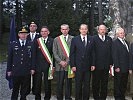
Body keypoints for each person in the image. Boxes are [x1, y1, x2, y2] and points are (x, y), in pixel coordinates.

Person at [70, 24, 95, 100]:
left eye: (85, 29)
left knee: (87, 85)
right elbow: (72, 53)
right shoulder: (75, 39)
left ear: (87, 30)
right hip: (78, 66)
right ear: (79, 30)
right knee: (78, 85)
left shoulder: (91, 39)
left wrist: (93, 64)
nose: (84, 30)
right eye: (82, 29)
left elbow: (93, 53)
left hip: (88, 66)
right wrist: (73, 65)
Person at [6, 28, 32, 100]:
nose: (23, 35)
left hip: (26, 70)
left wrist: (32, 68)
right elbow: (10, 58)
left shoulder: (31, 44)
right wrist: (9, 70)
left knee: (25, 90)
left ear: (27, 35)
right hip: (16, 71)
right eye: (21, 34)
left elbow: (33, 58)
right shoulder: (13, 44)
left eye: (25, 34)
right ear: (18, 35)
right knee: (15, 90)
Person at [31, 26, 54, 100]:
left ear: (48, 32)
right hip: (38, 66)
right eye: (42, 31)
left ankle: (47, 98)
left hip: (48, 65)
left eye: (45, 31)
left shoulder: (52, 41)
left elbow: (54, 54)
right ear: (40, 33)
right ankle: (37, 98)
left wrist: (53, 66)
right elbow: (33, 55)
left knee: (48, 84)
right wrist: (33, 67)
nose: (44, 33)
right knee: (37, 83)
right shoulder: (37, 41)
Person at [92, 24, 113, 100]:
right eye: (101, 29)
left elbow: (111, 52)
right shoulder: (93, 39)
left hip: (106, 65)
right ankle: (96, 97)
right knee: (96, 83)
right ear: (98, 30)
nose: (103, 31)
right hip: (96, 66)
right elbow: (92, 52)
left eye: (104, 29)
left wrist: (111, 63)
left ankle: (103, 98)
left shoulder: (109, 39)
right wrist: (93, 64)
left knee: (104, 83)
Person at [53, 24, 73, 100]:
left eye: (66, 29)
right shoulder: (56, 39)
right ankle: (59, 98)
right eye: (63, 29)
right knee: (59, 84)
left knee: (68, 84)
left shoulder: (73, 39)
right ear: (61, 30)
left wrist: (67, 62)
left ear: (68, 30)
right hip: (59, 65)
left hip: (68, 66)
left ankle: (68, 98)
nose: (64, 31)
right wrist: (60, 61)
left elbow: (73, 52)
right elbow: (54, 52)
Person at [112, 27, 132, 100]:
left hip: (125, 68)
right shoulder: (115, 43)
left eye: (123, 33)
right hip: (119, 68)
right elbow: (114, 55)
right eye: (121, 33)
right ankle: (117, 98)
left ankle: (122, 97)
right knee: (118, 84)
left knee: (124, 84)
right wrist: (116, 66)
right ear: (117, 34)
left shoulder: (126, 42)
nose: (123, 34)